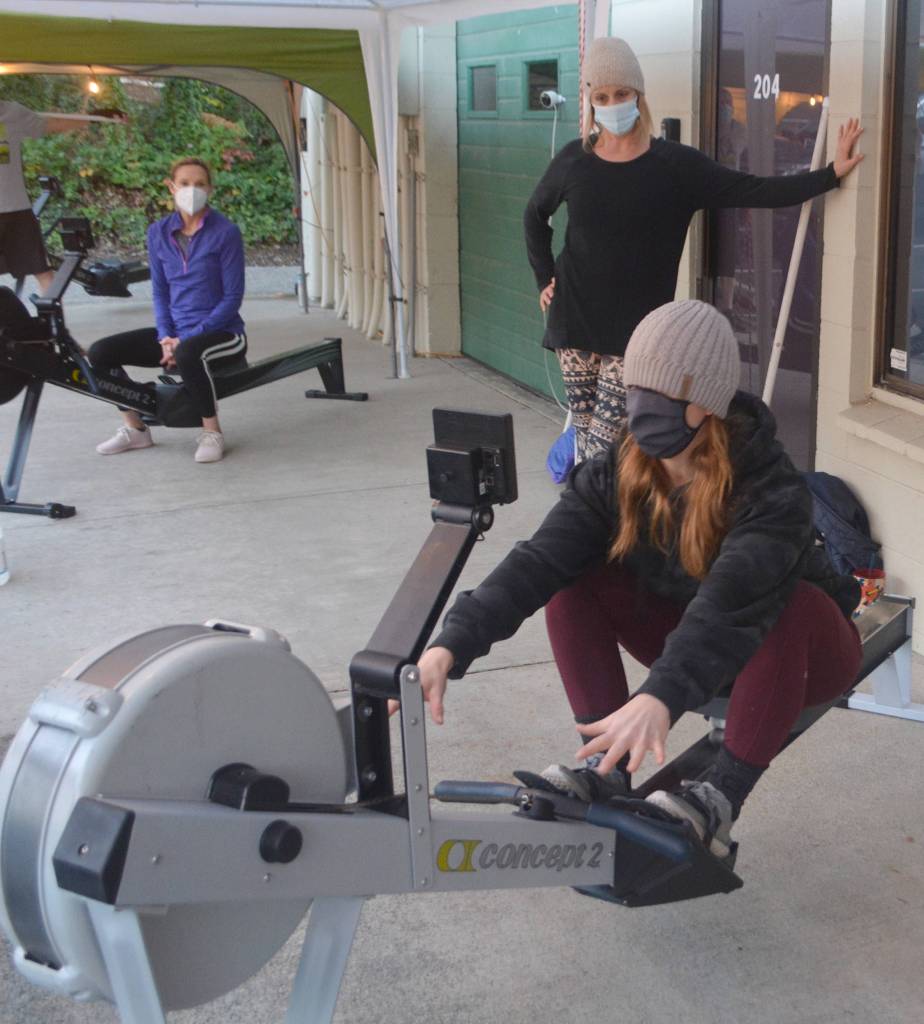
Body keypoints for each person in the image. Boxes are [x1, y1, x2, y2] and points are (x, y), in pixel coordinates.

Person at [412, 300, 862, 858]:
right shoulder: (616, 471)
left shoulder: (772, 490)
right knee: (576, 576)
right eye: (636, 389)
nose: (642, 407)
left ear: (707, 402)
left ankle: (720, 799)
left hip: (801, 658)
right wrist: (453, 642)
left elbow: (729, 607)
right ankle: (607, 766)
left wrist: (661, 696)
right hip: (694, 650)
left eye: (663, 394)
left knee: (793, 603)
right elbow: (540, 560)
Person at [525, 36, 864, 462]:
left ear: (638, 95)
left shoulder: (677, 166)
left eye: (622, 93)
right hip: (573, 322)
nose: (613, 103)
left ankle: (598, 519)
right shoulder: (574, 159)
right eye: (602, 96)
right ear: (591, 102)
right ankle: (601, 518)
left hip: (635, 334)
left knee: (603, 447)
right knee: (588, 439)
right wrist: (544, 279)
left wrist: (831, 173)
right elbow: (534, 216)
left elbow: (755, 189)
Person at [89, 157, 245, 464]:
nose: (192, 190)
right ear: (171, 187)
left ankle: (211, 431)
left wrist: (187, 339)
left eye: (200, 184)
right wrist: (165, 337)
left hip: (222, 332)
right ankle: (134, 428)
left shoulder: (226, 232)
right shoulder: (157, 232)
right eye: (184, 183)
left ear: (210, 189)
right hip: (175, 334)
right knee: (100, 352)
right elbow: (160, 292)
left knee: (189, 353)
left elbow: (233, 298)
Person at [0, 100, 114, 294]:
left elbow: (52, 125)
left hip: (16, 211)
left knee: (43, 272)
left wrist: (95, 117)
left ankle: (53, 323)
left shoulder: (11, 112)